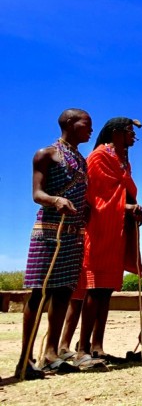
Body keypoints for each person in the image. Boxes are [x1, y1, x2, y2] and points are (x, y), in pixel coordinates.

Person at [15, 109, 92, 379]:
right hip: (48, 230)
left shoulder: (81, 160)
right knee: (39, 293)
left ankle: (50, 354)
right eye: (86, 124)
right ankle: (24, 360)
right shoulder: (46, 154)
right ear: (70, 123)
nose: (90, 130)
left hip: (73, 233)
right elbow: (37, 193)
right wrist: (55, 200)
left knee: (63, 293)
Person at [72, 117, 142, 363]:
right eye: (129, 131)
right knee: (94, 289)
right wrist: (127, 207)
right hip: (100, 227)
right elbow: (97, 197)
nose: (133, 136)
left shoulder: (122, 161)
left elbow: (120, 192)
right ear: (115, 133)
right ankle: (81, 349)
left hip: (117, 230)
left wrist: (131, 208)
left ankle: (98, 347)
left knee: (106, 291)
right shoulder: (99, 157)